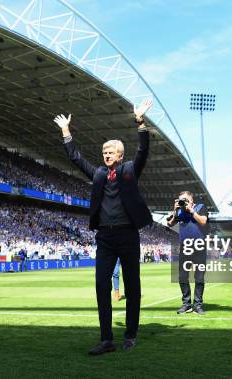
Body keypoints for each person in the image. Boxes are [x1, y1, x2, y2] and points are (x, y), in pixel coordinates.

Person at [54, 98, 153, 355]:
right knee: (101, 285)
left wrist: (140, 122)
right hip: (105, 238)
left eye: (111, 151)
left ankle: (130, 335)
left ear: (120, 155)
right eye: (104, 152)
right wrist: (66, 132)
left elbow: (143, 151)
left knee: (133, 286)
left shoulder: (130, 170)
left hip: (128, 235)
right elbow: (76, 158)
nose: (106, 154)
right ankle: (106, 339)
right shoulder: (98, 174)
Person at [167, 191, 209, 315]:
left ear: (191, 200)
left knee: (199, 277)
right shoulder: (179, 211)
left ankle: (197, 305)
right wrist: (175, 211)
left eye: (184, 200)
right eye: (180, 200)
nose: (182, 202)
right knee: (182, 276)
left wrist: (191, 211)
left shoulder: (201, 207)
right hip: (185, 248)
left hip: (199, 247)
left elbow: (203, 221)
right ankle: (186, 304)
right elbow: (170, 224)